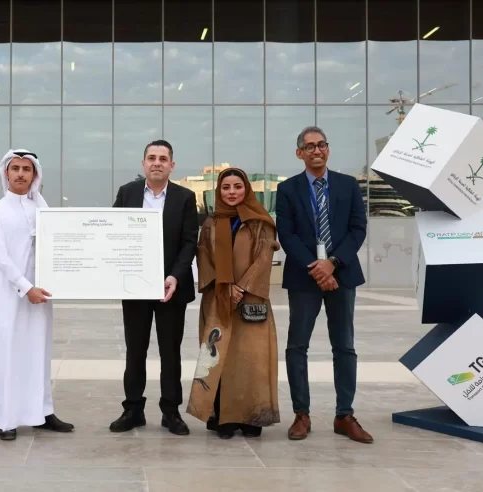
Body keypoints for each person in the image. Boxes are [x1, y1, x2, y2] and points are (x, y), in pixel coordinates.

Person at [275, 126, 373, 444]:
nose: (317, 150)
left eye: (321, 145)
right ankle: (301, 415)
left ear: (327, 149)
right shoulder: (287, 189)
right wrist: (316, 268)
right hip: (304, 277)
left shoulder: (348, 185)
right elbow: (286, 233)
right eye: (310, 146)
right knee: (297, 347)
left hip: (342, 275)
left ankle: (344, 415)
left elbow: (358, 228)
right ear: (299, 153)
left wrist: (333, 263)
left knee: (344, 346)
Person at [0, 149, 74, 441]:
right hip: (8, 296)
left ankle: (42, 413)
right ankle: (6, 419)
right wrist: (26, 287)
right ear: (6, 173)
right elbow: (1, 258)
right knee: (6, 354)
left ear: (35, 175)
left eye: (26, 169)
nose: (21, 174)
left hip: (40, 295)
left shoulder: (42, 212)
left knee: (38, 353)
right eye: (16, 168)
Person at [109, 139, 198, 436]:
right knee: (135, 350)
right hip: (135, 289)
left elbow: (189, 242)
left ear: (172, 165)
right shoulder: (127, 193)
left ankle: (171, 412)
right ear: (143, 163)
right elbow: (112, 232)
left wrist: (175, 276)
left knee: (170, 352)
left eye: (162, 158)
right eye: (151, 158)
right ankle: (133, 410)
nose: (157, 163)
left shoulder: (185, 197)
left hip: (170, 289)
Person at [186, 168, 280, 439]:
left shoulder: (260, 221)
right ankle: (223, 418)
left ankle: (251, 418)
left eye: (237, 186)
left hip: (251, 301)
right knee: (219, 358)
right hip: (218, 300)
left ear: (246, 189)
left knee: (252, 360)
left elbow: (264, 257)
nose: (231, 192)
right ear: (219, 191)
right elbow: (203, 256)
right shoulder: (211, 223)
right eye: (226, 187)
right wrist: (224, 287)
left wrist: (242, 288)